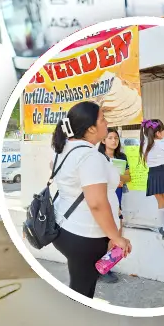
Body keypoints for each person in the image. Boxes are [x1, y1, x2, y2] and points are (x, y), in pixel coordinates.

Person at [49, 101, 132, 299]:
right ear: (92, 128)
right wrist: (116, 237)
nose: (106, 122)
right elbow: (96, 203)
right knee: (82, 293)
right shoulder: (89, 157)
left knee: (80, 284)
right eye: (103, 119)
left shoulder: (64, 148)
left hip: (66, 228)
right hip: (85, 237)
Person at [97, 128, 132, 283]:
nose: (113, 140)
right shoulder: (97, 157)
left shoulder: (122, 157)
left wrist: (119, 179)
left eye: (116, 138)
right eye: (110, 137)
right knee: (100, 236)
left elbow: (128, 177)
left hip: (117, 198)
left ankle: (106, 267)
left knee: (116, 234)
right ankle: (97, 268)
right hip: (102, 199)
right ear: (103, 140)